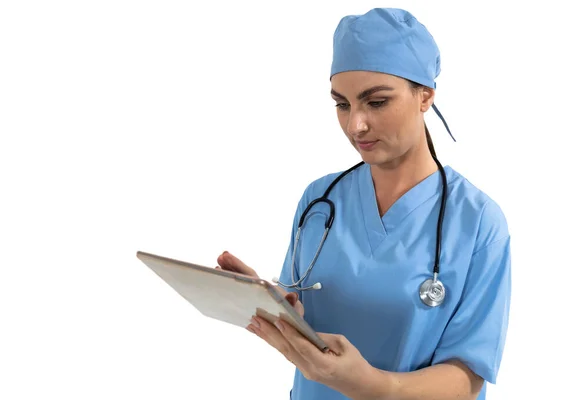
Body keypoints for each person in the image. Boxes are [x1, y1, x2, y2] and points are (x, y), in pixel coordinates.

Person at [216, 7, 511, 400]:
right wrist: (274, 308)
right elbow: (301, 316)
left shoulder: (478, 222)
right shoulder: (319, 200)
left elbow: (468, 377)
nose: (356, 125)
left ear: (425, 96)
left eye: (376, 102)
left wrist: (371, 385)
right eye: (342, 104)